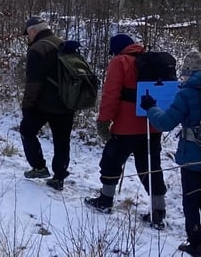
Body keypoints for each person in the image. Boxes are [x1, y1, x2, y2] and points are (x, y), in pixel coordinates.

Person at [85, 34, 167, 228]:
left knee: (111, 162)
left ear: (118, 49)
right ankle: (158, 211)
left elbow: (111, 94)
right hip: (152, 125)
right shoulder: (152, 61)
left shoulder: (120, 62)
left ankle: (105, 201)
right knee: (151, 167)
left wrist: (104, 121)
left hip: (126, 127)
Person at [141, 50, 201, 255]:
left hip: (193, 160)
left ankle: (196, 244)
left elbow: (165, 123)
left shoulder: (186, 93)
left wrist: (150, 108)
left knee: (192, 203)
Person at [19, 16, 74, 190]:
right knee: (62, 141)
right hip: (67, 102)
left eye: (28, 34)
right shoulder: (63, 44)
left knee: (27, 130)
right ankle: (59, 178)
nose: (28, 37)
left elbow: (33, 83)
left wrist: (27, 106)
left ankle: (39, 167)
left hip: (44, 104)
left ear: (34, 31)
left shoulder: (37, 49)